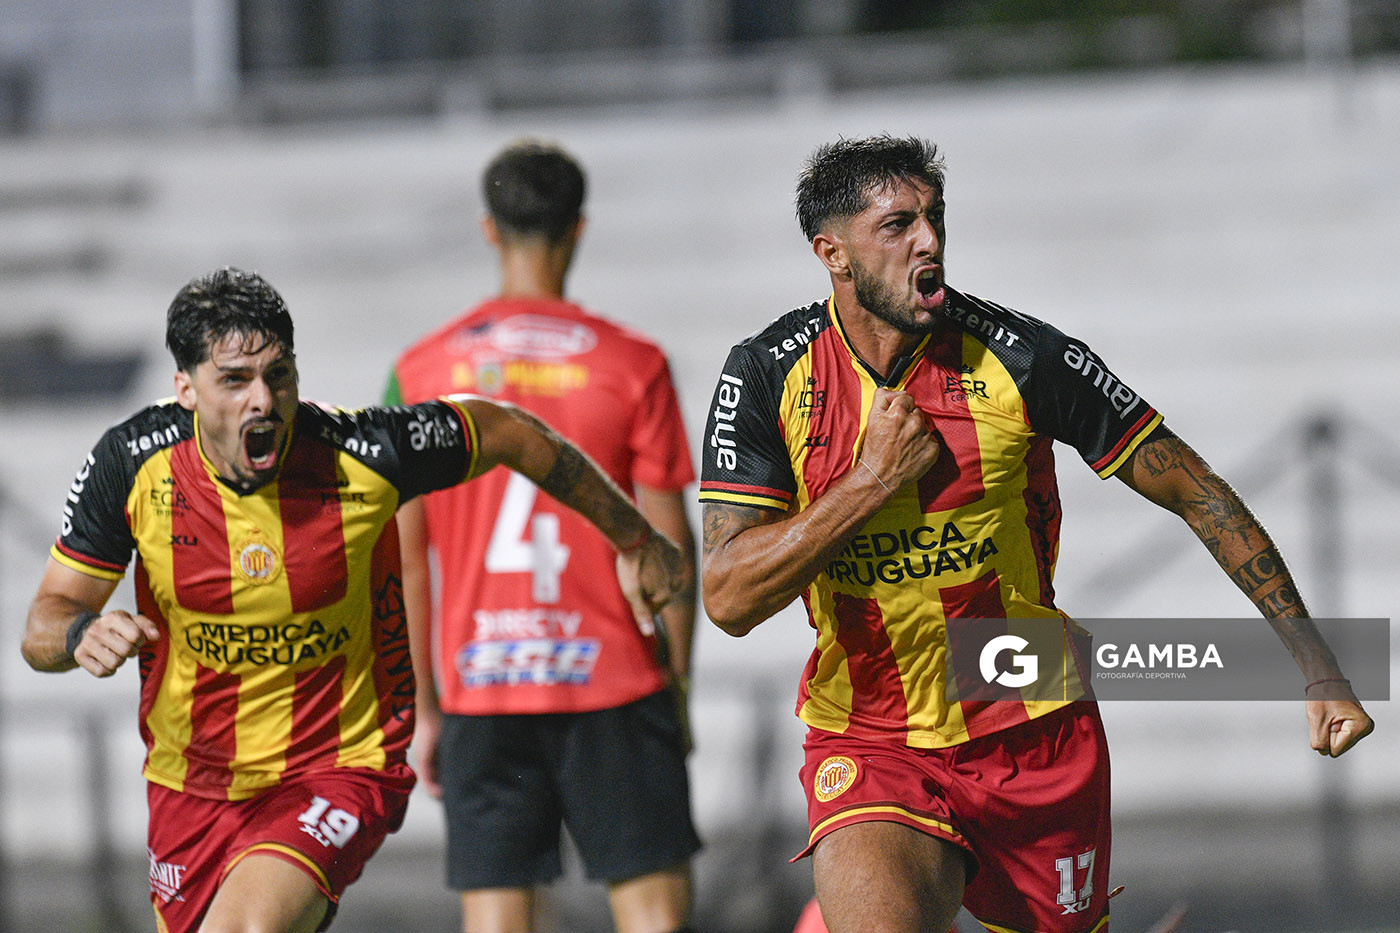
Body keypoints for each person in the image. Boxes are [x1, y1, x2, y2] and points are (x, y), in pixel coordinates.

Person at [698, 135, 1373, 933]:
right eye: (899, 224)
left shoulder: (1022, 358)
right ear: (832, 253)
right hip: (872, 729)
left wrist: (1318, 665)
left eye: (936, 217)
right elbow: (729, 595)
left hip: (1030, 713)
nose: (930, 241)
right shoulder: (770, 374)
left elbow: (1195, 490)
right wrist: (872, 482)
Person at [20, 266, 687, 933]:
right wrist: (79, 633)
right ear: (185, 390)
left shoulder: (362, 456)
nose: (264, 399)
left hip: (337, 766)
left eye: (279, 375)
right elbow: (42, 623)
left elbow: (511, 430)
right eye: (235, 380)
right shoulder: (131, 465)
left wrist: (635, 539)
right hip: (190, 786)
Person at [384, 140, 701, 933]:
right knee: (654, 916)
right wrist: (679, 689)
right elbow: (669, 552)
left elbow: (407, 563)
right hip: (617, 681)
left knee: (496, 923)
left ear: (490, 231)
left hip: (482, 683)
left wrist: (427, 706)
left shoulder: (419, 372)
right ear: (578, 230)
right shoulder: (636, 364)